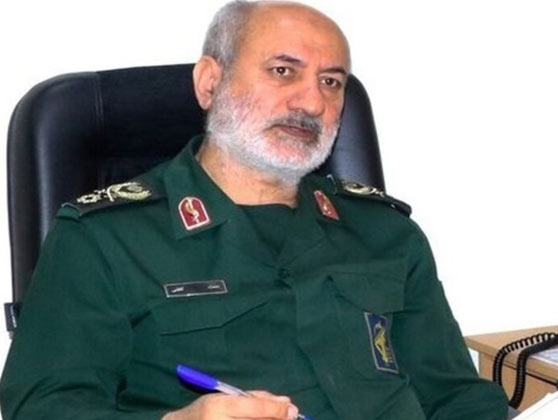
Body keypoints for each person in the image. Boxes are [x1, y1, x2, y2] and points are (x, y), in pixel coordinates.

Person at [0, 1, 509, 419]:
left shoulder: (386, 232)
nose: (311, 102)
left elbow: (456, 397)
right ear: (210, 82)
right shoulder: (104, 239)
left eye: (331, 82)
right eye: (283, 71)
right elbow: (42, 410)